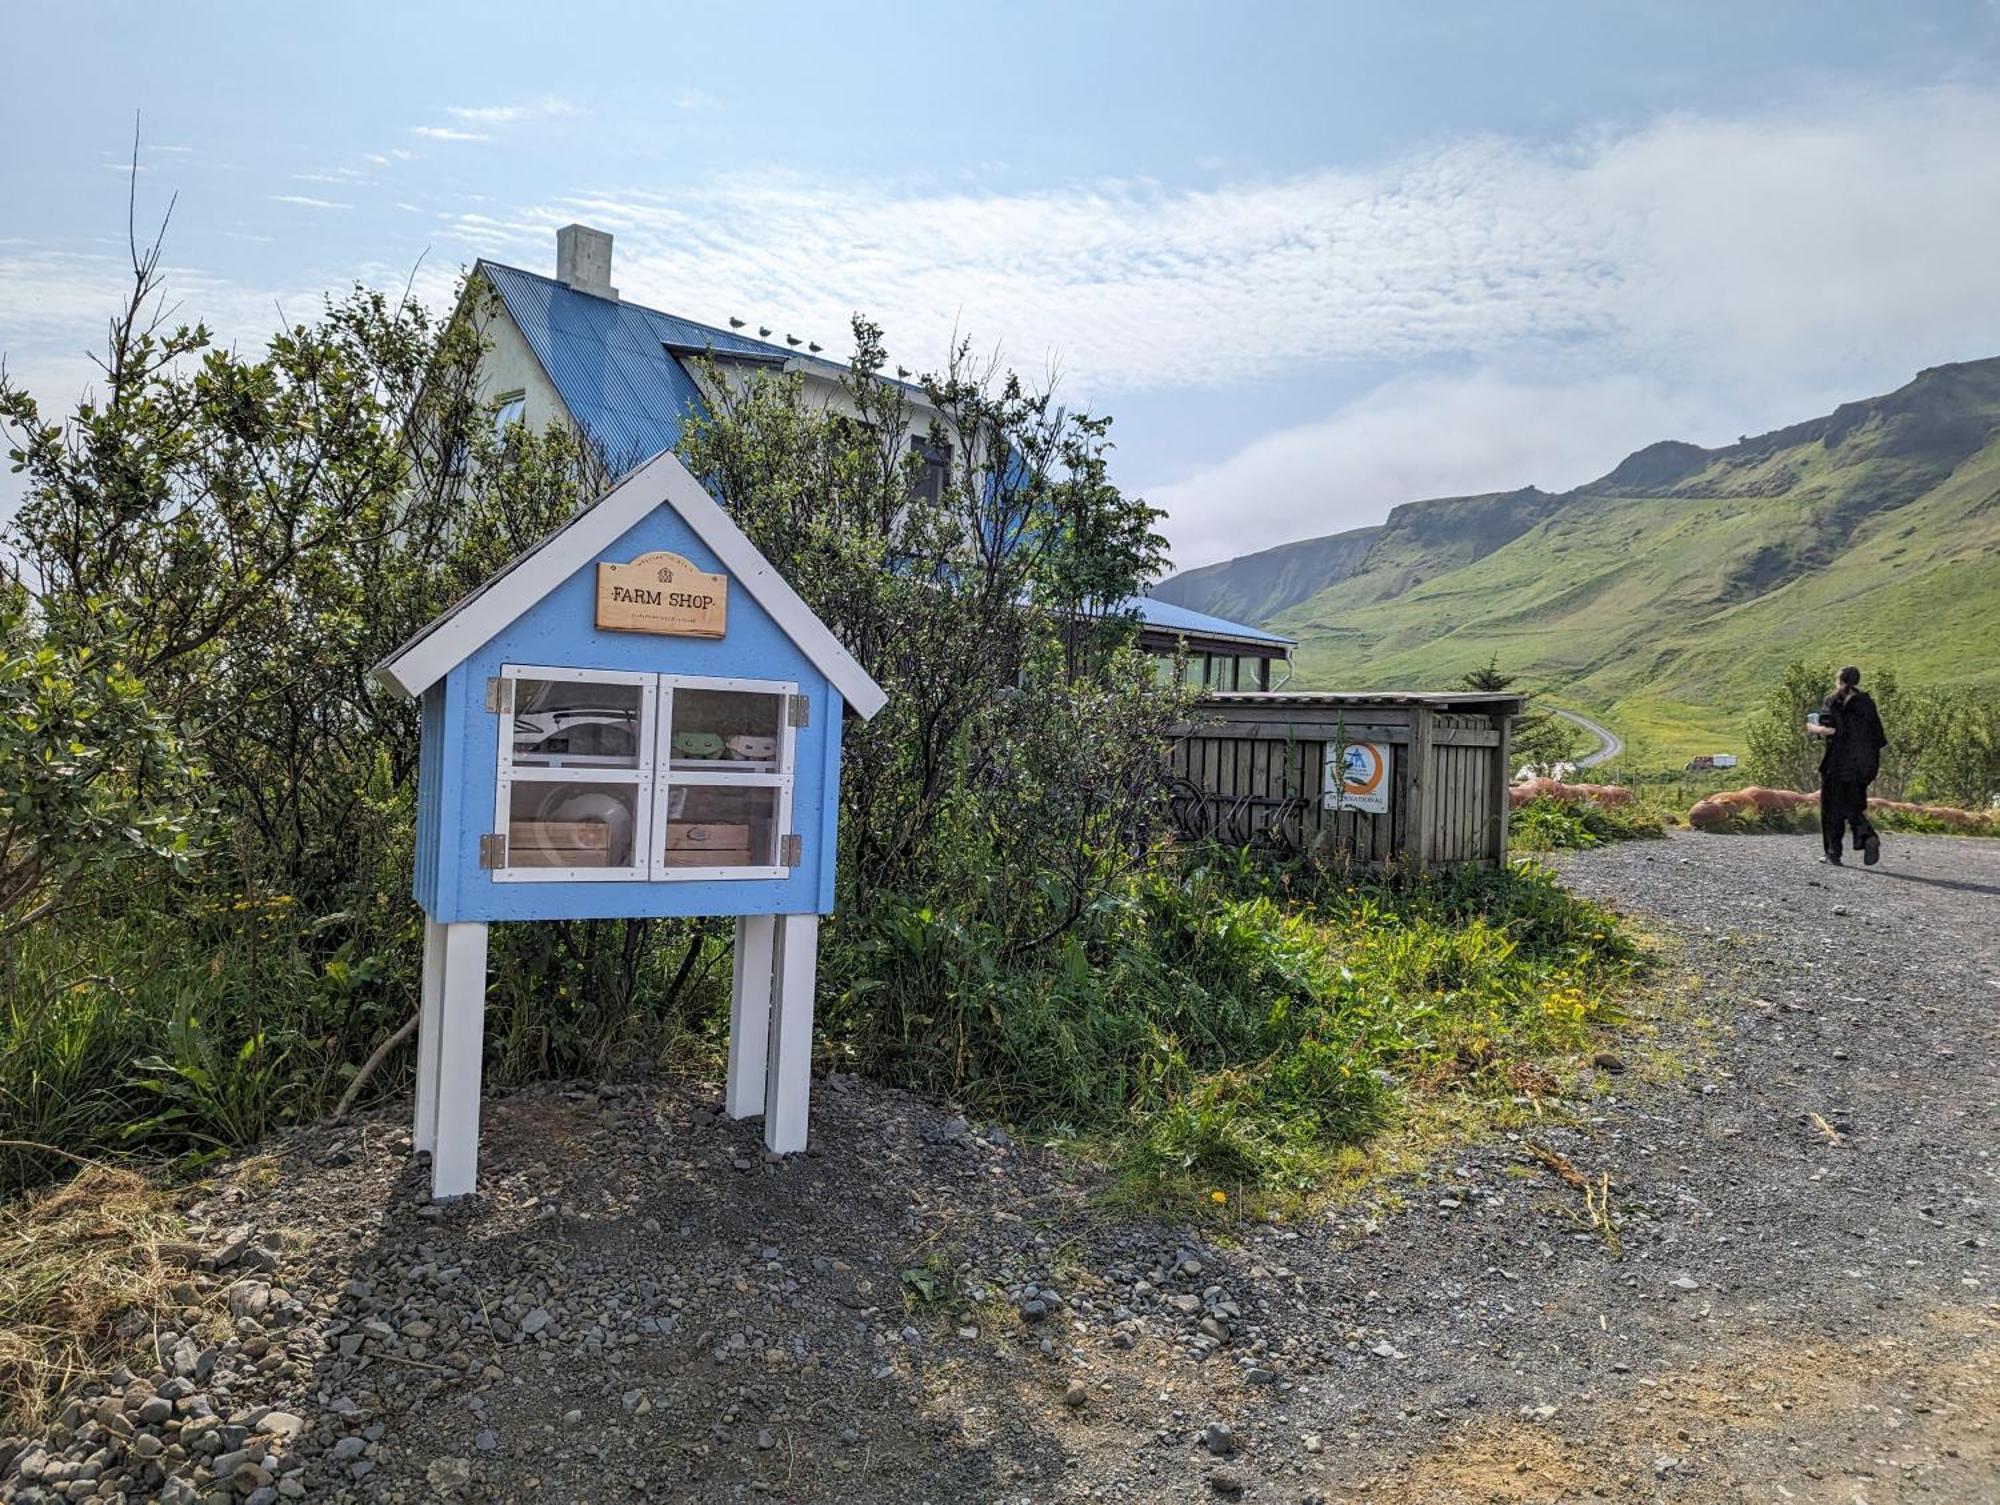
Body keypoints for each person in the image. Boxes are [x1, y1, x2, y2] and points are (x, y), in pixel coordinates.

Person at [1806, 666, 1887, 866]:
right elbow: (1879, 737)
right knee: (1853, 804)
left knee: (1832, 808)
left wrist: (1813, 728)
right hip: (1864, 766)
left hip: (1838, 763)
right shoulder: (1868, 703)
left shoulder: (1834, 701)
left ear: (1838, 680)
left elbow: (1832, 729)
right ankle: (1867, 835)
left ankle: (1833, 853)